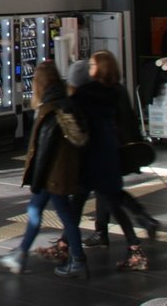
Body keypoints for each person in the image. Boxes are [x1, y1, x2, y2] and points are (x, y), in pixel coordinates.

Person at [38, 59, 159, 268]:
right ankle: (65, 244)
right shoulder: (109, 93)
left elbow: (76, 130)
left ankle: (134, 250)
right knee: (104, 202)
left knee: (93, 204)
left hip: (92, 160)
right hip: (107, 156)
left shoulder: (80, 99)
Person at [0, 61, 89, 278]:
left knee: (58, 216)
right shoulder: (65, 102)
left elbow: (43, 152)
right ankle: (21, 254)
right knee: (36, 212)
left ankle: (78, 261)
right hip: (60, 172)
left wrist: (35, 181)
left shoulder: (48, 110)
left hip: (51, 176)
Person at [69, 50, 149, 272]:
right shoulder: (116, 91)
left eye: (93, 64)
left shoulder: (86, 93)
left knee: (78, 202)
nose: (90, 68)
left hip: (92, 155)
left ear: (100, 68)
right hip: (109, 153)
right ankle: (135, 245)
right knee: (112, 201)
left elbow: (69, 113)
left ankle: (69, 248)